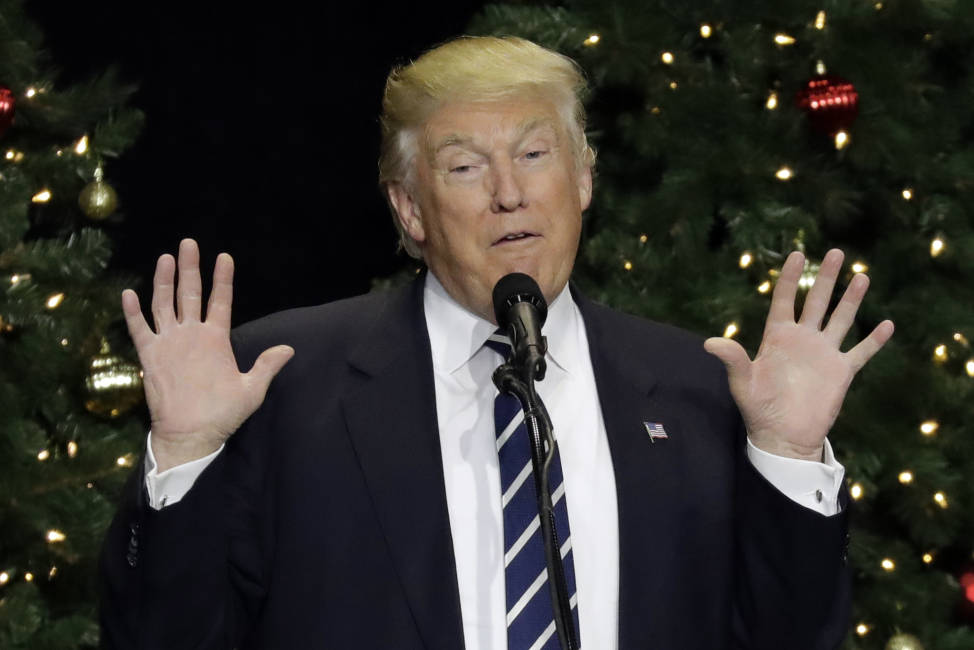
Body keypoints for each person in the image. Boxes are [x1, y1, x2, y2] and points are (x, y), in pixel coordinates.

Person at [100, 36, 894, 649]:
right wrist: (185, 457)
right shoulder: (283, 386)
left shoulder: (700, 389)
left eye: (535, 154)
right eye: (466, 166)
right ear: (409, 210)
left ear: (583, 178)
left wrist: (787, 462)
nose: (509, 192)